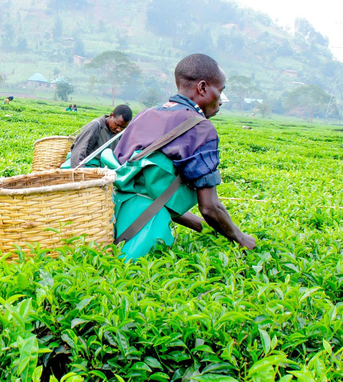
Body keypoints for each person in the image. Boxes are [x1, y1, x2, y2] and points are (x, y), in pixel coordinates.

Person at [108, 53, 256, 259]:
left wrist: (205, 228)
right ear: (202, 88)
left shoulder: (145, 114)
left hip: (108, 222)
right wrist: (242, 238)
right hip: (143, 236)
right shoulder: (200, 128)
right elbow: (210, 207)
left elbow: (150, 192)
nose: (220, 101)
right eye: (220, 91)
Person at [67, 104, 133, 167]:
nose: (119, 129)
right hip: (90, 167)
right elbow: (79, 152)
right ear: (111, 115)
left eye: (123, 127)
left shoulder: (120, 133)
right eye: (117, 125)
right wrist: (79, 173)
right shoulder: (96, 125)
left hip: (106, 170)